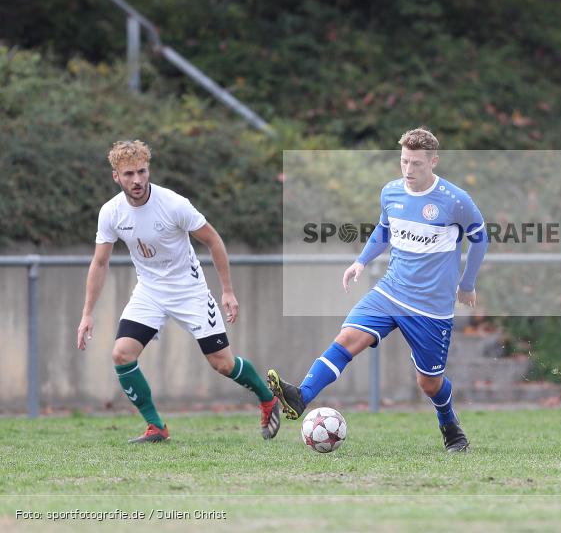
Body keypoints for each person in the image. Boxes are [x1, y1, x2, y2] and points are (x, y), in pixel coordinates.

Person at [268, 128, 488, 452]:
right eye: (404, 162)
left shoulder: (456, 200)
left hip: (431, 307)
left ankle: (450, 426)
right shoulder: (391, 193)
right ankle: (301, 396)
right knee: (345, 340)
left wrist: (467, 284)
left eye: (416, 164)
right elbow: (384, 230)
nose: (409, 170)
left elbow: (480, 238)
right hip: (390, 291)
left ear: (433, 162)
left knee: (429, 383)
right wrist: (360, 261)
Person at [76, 140, 280, 443]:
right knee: (121, 354)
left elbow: (214, 241)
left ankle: (267, 398)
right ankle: (156, 427)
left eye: (142, 172)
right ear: (116, 176)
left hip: (190, 290)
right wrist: (87, 314)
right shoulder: (111, 212)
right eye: (129, 174)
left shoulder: (173, 204)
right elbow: (100, 262)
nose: (137, 180)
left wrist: (227, 291)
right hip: (149, 292)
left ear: (149, 170)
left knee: (222, 363)